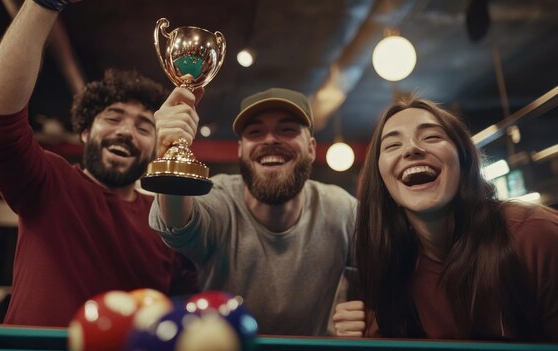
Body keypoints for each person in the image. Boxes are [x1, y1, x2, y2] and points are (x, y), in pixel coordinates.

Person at [0, 0, 198, 327]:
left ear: (155, 146)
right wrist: (43, 4)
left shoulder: (169, 221)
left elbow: (187, 314)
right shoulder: (49, 182)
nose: (126, 132)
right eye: (113, 117)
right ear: (86, 133)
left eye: (145, 127)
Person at [333, 96, 558, 341]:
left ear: (463, 161)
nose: (411, 148)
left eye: (431, 137)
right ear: (384, 184)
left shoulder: (536, 236)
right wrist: (362, 338)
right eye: (392, 145)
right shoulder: (390, 271)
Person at [148, 87, 359, 336]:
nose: (270, 140)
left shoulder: (342, 209)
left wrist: (370, 312)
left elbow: (386, 270)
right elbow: (177, 224)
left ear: (311, 148)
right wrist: (168, 152)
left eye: (287, 129)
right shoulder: (220, 199)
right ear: (240, 150)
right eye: (255, 132)